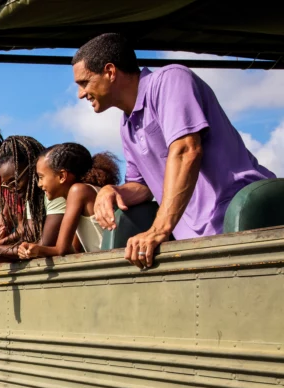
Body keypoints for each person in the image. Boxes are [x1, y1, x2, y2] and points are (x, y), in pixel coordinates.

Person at [72, 33, 275, 269]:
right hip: (193, 239)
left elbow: (187, 150)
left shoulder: (170, 80)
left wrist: (159, 229)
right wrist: (112, 190)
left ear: (110, 71)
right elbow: (143, 187)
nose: (80, 94)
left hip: (242, 224)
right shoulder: (126, 125)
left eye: (84, 82)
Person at [0, 135, 65, 284]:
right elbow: (29, 241)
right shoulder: (31, 199)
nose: (11, 190)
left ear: (31, 170)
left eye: (14, 182)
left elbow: (42, 246)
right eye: (6, 185)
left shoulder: (56, 195)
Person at [19, 143, 121, 258]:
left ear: (62, 176)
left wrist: (37, 249)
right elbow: (74, 249)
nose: (39, 184)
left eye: (41, 177)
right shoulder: (81, 193)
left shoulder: (78, 191)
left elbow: (61, 250)